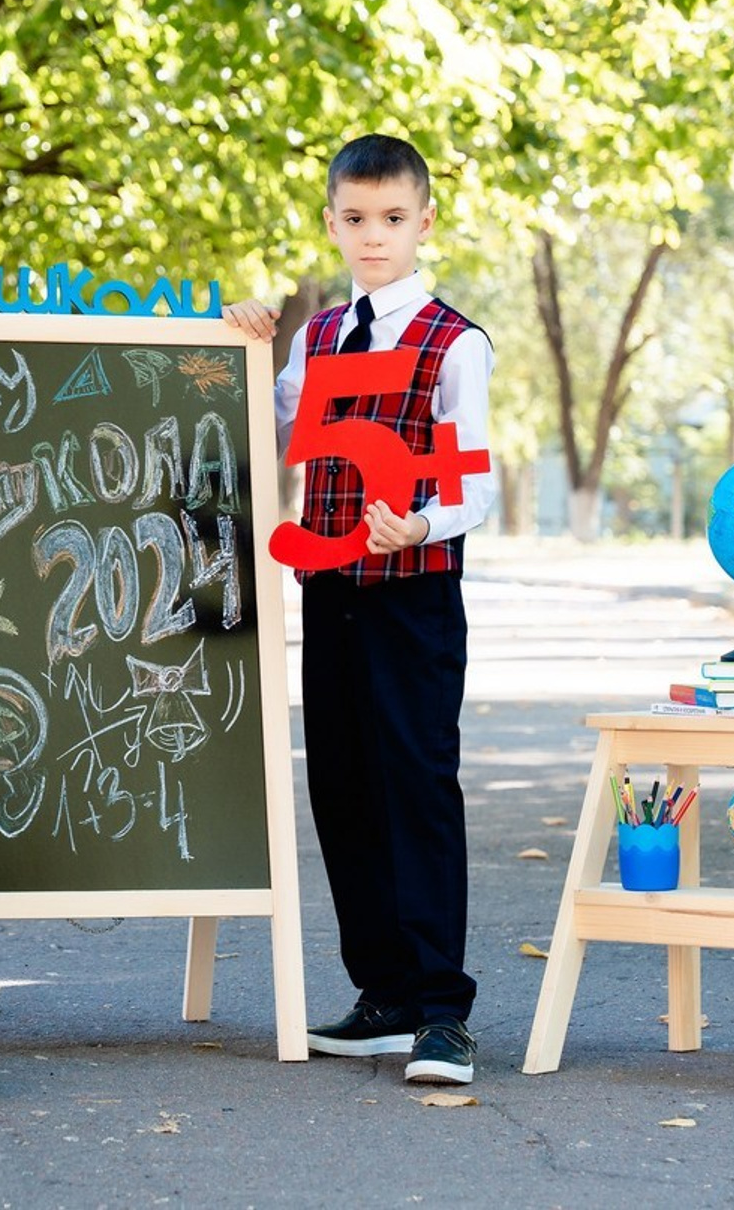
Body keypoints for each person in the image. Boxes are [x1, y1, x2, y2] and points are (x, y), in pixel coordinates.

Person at [224, 133, 496, 1085]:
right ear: (332, 222)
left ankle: (441, 1009)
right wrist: (248, 347)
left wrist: (419, 521)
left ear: (425, 222)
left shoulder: (454, 342)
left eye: (392, 219)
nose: (372, 236)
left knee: (416, 785)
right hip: (331, 591)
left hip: (415, 594)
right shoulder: (320, 337)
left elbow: (475, 479)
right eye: (354, 219)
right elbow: (275, 436)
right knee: (341, 783)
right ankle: (381, 992)